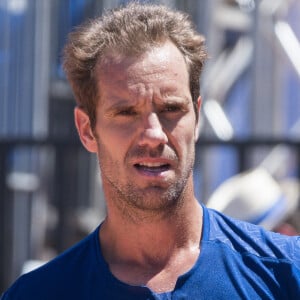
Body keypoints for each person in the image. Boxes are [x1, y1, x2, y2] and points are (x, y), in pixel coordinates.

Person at [1, 2, 300, 299]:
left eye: (171, 108)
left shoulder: (285, 272)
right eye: (127, 112)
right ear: (86, 129)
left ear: (196, 117)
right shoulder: (40, 293)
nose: (154, 134)